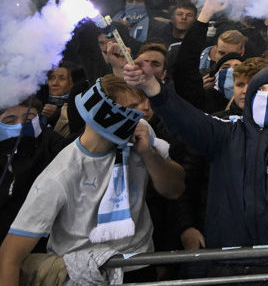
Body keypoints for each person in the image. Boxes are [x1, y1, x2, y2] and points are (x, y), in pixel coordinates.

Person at [121, 58, 268, 277]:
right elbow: (185, 118)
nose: (267, 97)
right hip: (224, 259)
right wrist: (152, 86)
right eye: (261, 90)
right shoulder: (224, 132)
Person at [0, 75, 185, 286]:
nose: (142, 111)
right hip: (82, 275)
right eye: (132, 107)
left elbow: (175, 189)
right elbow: (9, 256)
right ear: (107, 115)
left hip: (137, 264)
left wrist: (149, 154)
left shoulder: (140, 131)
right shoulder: (60, 175)